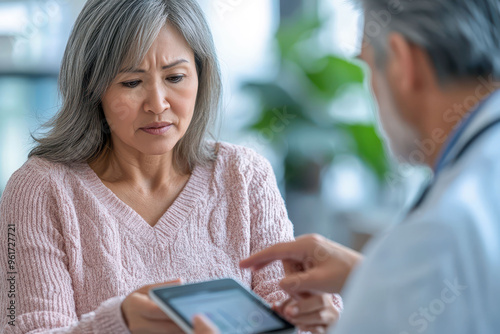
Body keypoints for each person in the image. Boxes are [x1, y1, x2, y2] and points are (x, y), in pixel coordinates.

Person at [0, 0, 340, 333]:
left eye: (175, 77)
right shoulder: (38, 190)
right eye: (131, 83)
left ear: (201, 76)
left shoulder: (245, 175)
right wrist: (120, 324)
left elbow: (290, 309)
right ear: (92, 86)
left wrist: (317, 316)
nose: (158, 104)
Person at [193, 0, 500, 333]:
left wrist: (386, 284)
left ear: (402, 62)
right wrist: (371, 277)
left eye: (367, 66)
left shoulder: (435, 239)